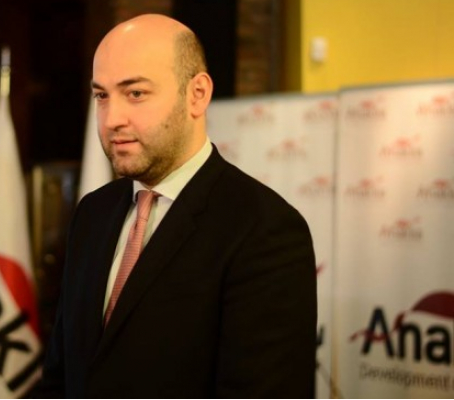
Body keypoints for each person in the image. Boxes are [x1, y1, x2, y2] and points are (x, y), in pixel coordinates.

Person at [36, 14, 317, 398]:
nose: (112, 119)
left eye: (135, 93)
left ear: (197, 94)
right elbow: (61, 380)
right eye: (101, 96)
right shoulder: (92, 213)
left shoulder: (264, 229)